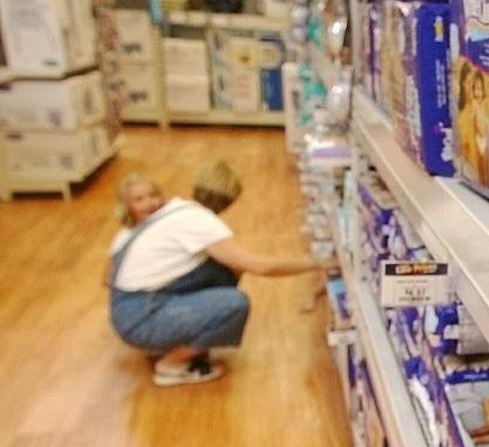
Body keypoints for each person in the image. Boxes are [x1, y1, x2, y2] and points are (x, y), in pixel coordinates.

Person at [109, 161, 328, 387]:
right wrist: (317, 263)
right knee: (234, 304)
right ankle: (172, 364)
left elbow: (108, 278)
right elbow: (259, 266)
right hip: (140, 319)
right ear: (230, 200)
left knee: (222, 270)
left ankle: (165, 337)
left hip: (128, 310)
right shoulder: (201, 221)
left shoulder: (175, 209)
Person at [104, 173, 165, 286]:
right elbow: (108, 278)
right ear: (127, 207)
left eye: (153, 195)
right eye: (139, 199)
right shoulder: (124, 237)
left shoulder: (172, 223)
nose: (149, 203)